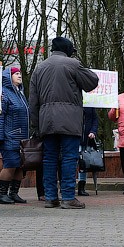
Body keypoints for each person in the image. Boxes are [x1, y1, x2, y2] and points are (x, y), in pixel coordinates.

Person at [28, 36, 99, 209]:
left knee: (49, 159)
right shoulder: (73, 64)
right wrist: (77, 62)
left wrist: (36, 126)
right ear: (68, 50)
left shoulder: (39, 68)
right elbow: (92, 82)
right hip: (70, 120)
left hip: (47, 121)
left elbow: (33, 101)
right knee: (69, 157)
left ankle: (51, 197)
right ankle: (68, 197)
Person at [0, 66, 30, 204]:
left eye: (20, 73)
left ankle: (13, 193)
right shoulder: (3, 94)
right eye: (16, 74)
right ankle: (1, 194)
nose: (19, 75)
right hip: (9, 137)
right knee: (10, 164)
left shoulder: (20, 94)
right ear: (8, 77)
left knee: (20, 165)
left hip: (22, 139)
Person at [77, 106, 99, 197]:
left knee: (83, 164)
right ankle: (65, 186)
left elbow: (95, 119)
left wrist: (93, 131)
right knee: (70, 162)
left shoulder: (90, 105)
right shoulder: (74, 103)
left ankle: (81, 187)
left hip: (86, 140)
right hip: (74, 138)